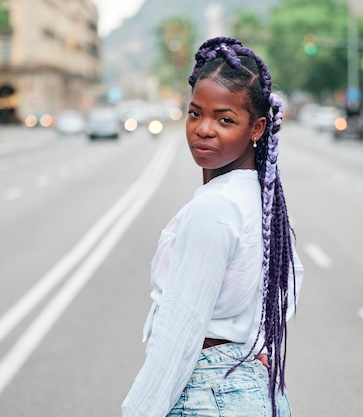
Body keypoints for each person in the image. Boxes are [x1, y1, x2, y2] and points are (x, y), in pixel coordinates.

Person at [121, 36, 304, 417]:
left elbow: (180, 329)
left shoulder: (215, 208)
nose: (204, 129)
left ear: (256, 128)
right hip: (257, 394)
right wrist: (255, 350)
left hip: (208, 396)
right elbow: (290, 282)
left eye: (224, 119)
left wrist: (139, 411)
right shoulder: (262, 199)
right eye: (194, 113)